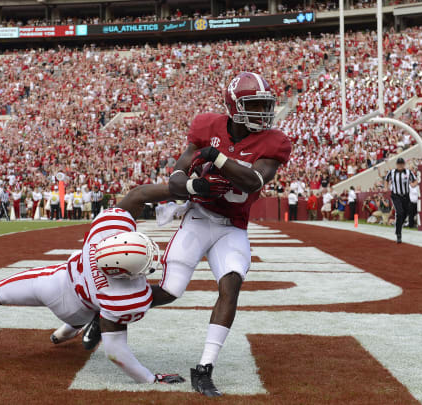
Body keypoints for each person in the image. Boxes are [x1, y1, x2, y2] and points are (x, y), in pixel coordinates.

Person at [81, 72, 290, 397]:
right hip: (198, 218)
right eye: (256, 105)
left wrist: (216, 158)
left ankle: (204, 368)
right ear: (235, 108)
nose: (264, 112)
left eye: (266, 104)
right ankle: (107, 310)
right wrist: (188, 180)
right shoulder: (208, 126)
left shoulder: (273, 142)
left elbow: (253, 182)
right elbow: (179, 174)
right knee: (170, 290)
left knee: (230, 286)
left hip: (232, 227)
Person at [0, 184, 186, 385]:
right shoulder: (123, 295)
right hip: (82, 310)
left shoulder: (103, 235)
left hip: (56, 283)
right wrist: (150, 378)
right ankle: (65, 332)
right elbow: (116, 352)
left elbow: (135, 196)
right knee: (95, 311)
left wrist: (181, 189)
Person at [382, 158, 417, 243]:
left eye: (402, 164)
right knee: (400, 212)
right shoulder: (392, 172)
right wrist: (386, 187)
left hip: (406, 196)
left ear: (404, 164)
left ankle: (398, 224)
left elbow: (415, 180)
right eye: (399, 164)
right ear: (396, 164)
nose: (400, 165)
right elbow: (386, 180)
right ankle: (398, 234)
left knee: (405, 213)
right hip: (396, 196)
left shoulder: (408, 172)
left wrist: (413, 184)